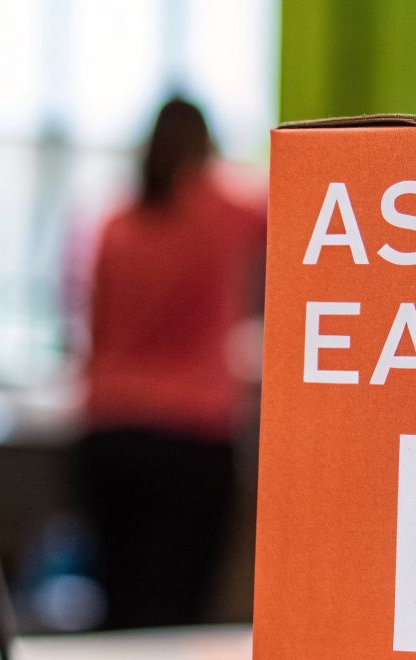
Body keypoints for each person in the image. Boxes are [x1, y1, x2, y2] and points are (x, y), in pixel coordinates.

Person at [76, 97, 266, 629]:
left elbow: (93, 328)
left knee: (119, 607)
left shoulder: (116, 223)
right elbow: (310, 206)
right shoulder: (228, 211)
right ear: (206, 146)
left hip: (109, 432)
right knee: (180, 614)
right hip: (193, 435)